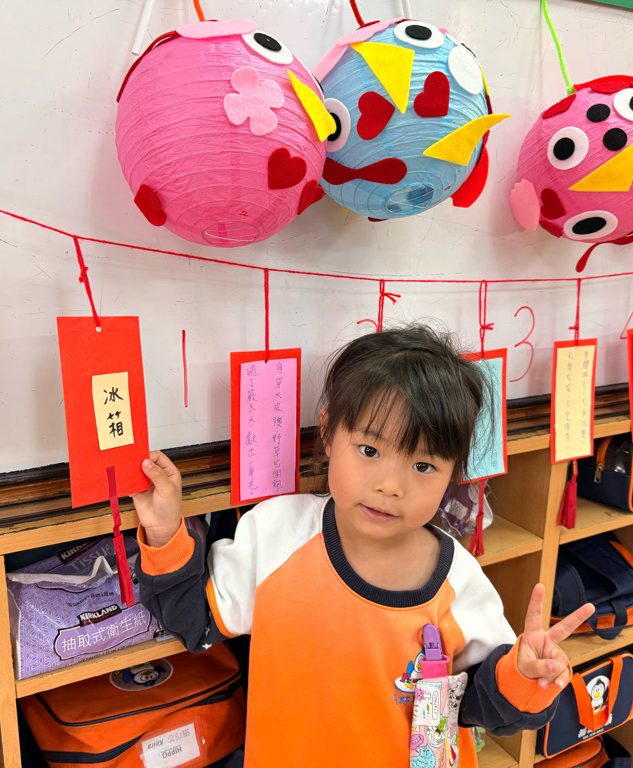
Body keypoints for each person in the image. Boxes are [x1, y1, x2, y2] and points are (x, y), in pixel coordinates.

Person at [132, 324, 594, 768]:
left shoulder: (458, 580)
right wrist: (165, 533)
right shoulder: (276, 535)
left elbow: (480, 706)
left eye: (423, 466)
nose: (390, 486)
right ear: (329, 434)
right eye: (370, 451)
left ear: (455, 472)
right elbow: (193, 620)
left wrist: (524, 678)